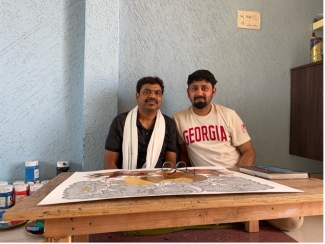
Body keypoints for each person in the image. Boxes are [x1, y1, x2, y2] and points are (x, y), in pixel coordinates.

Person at [173, 69, 303, 232]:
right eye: (194, 88)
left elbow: (249, 151)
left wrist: (238, 176)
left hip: (237, 175)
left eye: (204, 88)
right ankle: (247, 211)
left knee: (292, 222)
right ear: (188, 92)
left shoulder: (228, 115)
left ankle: (245, 209)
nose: (199, 92)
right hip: (206, 182)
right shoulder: (178, 118)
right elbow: (184, 154)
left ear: (213, 91)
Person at [104, 76, 177, 170]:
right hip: (125, 181)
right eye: (147, 92)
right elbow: (109, 165)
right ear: (137, 96)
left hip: (158, 181)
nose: (152, 96)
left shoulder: (169, 124)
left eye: (157, 93)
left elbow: (170, 166)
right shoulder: (120, 122)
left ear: (161, 98)